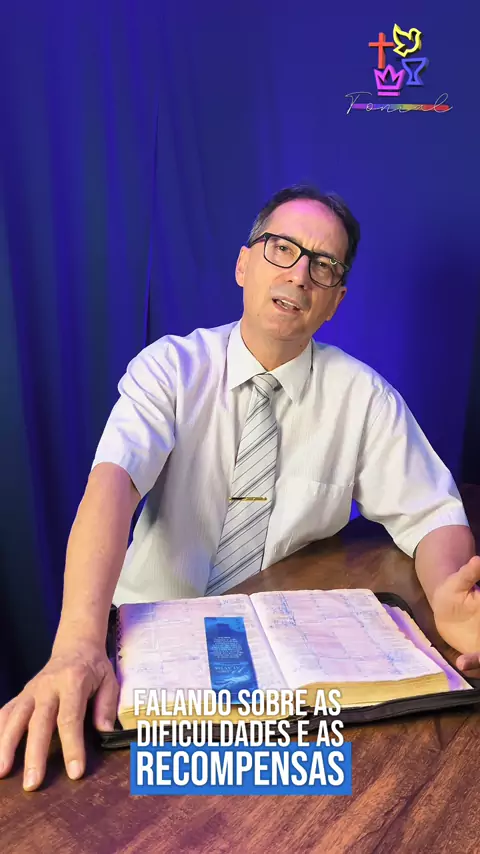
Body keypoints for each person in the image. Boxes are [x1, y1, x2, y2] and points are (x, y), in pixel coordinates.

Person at [1, 185, 479, 792]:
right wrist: (77, 643)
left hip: (282, 651)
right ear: (243, 265)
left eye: (324, 265)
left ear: (335, 300)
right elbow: (112, 487)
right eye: (282, 249)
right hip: (145, 640)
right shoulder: (170, 369)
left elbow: (433, 512)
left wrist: (449, 597)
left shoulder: (364, 399)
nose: (299, 274)